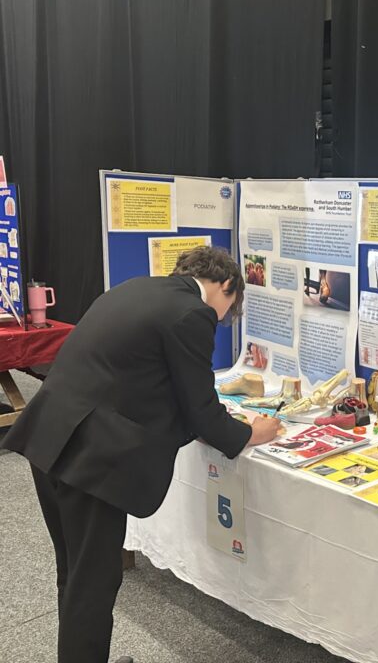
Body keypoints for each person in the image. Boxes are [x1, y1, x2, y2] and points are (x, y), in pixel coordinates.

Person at [1, 246, 281, 663]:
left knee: (74, 571)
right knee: (94, 580)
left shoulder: (136, 289)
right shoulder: (193, 312)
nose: (223, 318)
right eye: (230, 307)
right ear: (225, 285)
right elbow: (201, 411)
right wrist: (250, 433)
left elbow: (135, 375)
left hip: (49, 434)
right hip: (90, 457)